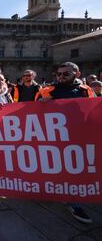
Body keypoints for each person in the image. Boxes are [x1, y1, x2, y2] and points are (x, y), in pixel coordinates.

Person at [36, 62, 95, 224]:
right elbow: (33, 116)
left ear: (77, 74)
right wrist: (41, 105)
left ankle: (71, 198)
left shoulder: (86, 91)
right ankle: (70, 200)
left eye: (65, 74)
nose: (60, 77)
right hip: (54, 138)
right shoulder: (47, 91)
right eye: (58, 74)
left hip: (79, 137)